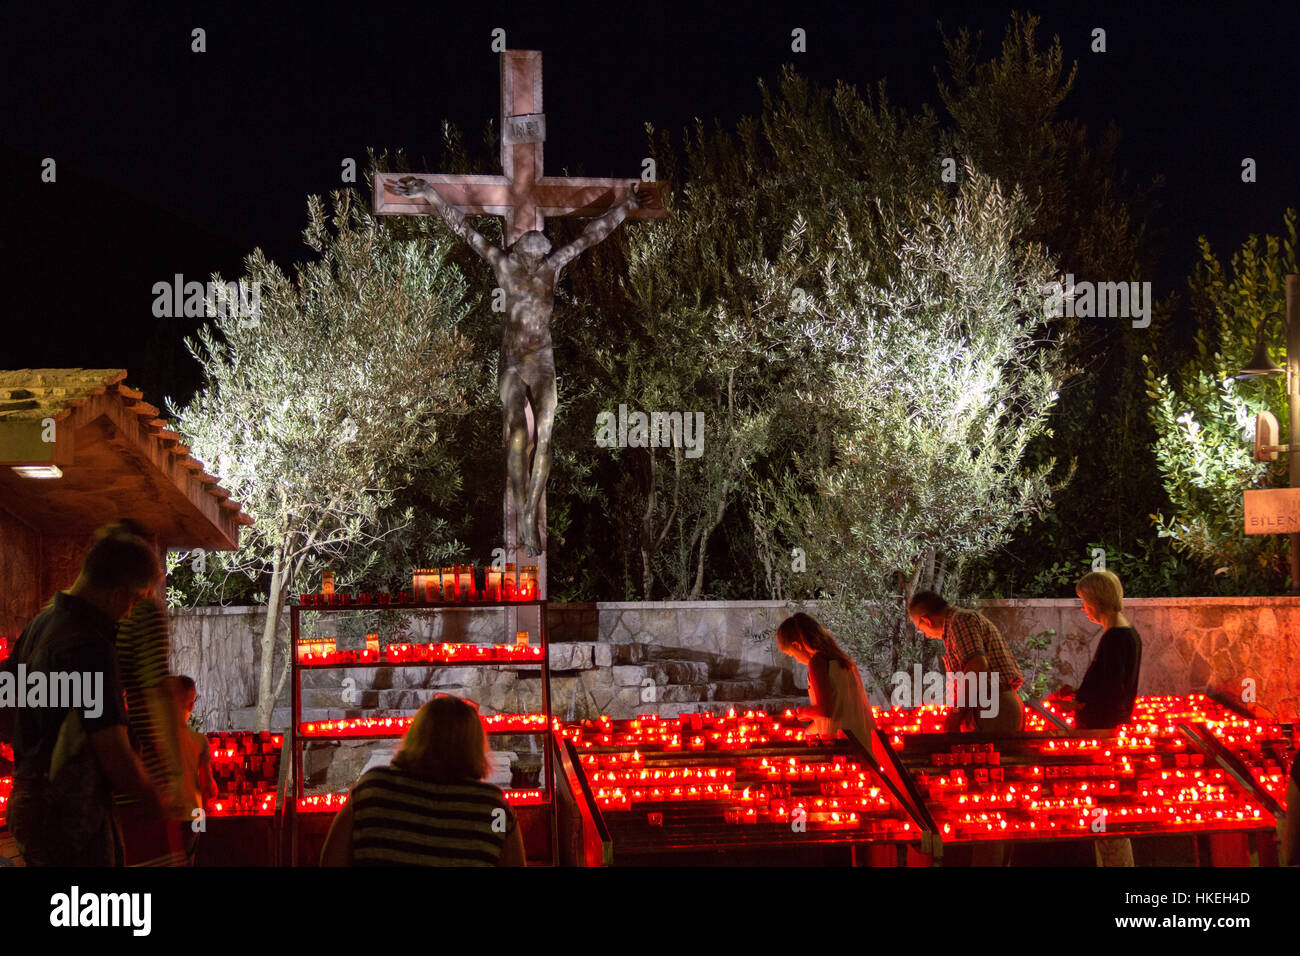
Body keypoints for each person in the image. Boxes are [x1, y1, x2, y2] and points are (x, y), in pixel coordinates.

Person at [0, 521, 164, 866]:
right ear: (119, 592)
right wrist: (152, 801)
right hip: (71, 818)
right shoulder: (89, 645)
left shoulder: (39, 626)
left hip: (29, 803)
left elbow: (6, 713)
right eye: (135, 600)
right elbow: (113, 751)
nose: (130, 611)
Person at [320, 695, 526, 866]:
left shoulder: (371, 790)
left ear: (415, 735)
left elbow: (331, 861)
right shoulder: (494, 809)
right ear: (475, 745)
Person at [1055, 570, 1142, 867]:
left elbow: (1112, 692)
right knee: (1103, 811)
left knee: (1105, 809)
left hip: (1101, 734)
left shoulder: (1117, 638)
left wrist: (1079, 705)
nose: (1083, 608)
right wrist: (1079, 695)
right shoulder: (1123, 634)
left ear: (1096, 601)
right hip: (1105, 730)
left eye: (1084, 601)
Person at [908, 591, 1024, 733]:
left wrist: (956, 713)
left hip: (993, 707)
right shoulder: (957, 624)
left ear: (927, 620)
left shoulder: (960, 622)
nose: (925, 634)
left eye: (920, 629)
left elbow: (977, 667)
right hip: (993, 705)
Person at [775, 613, 877, 754]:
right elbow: (839, 709)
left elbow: (825, 711)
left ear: (797, 645)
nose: (797, 660)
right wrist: (808, 730)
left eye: (792, 655)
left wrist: (802, 711)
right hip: (865, 741)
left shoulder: (817, 662)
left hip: (842, 745)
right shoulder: (843, 661)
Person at [172, 675, 216, 865]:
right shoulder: (198, 741)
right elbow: (208, 787)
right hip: (194, 816)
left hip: (166, 815)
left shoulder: (154, 741)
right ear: (190, 706)